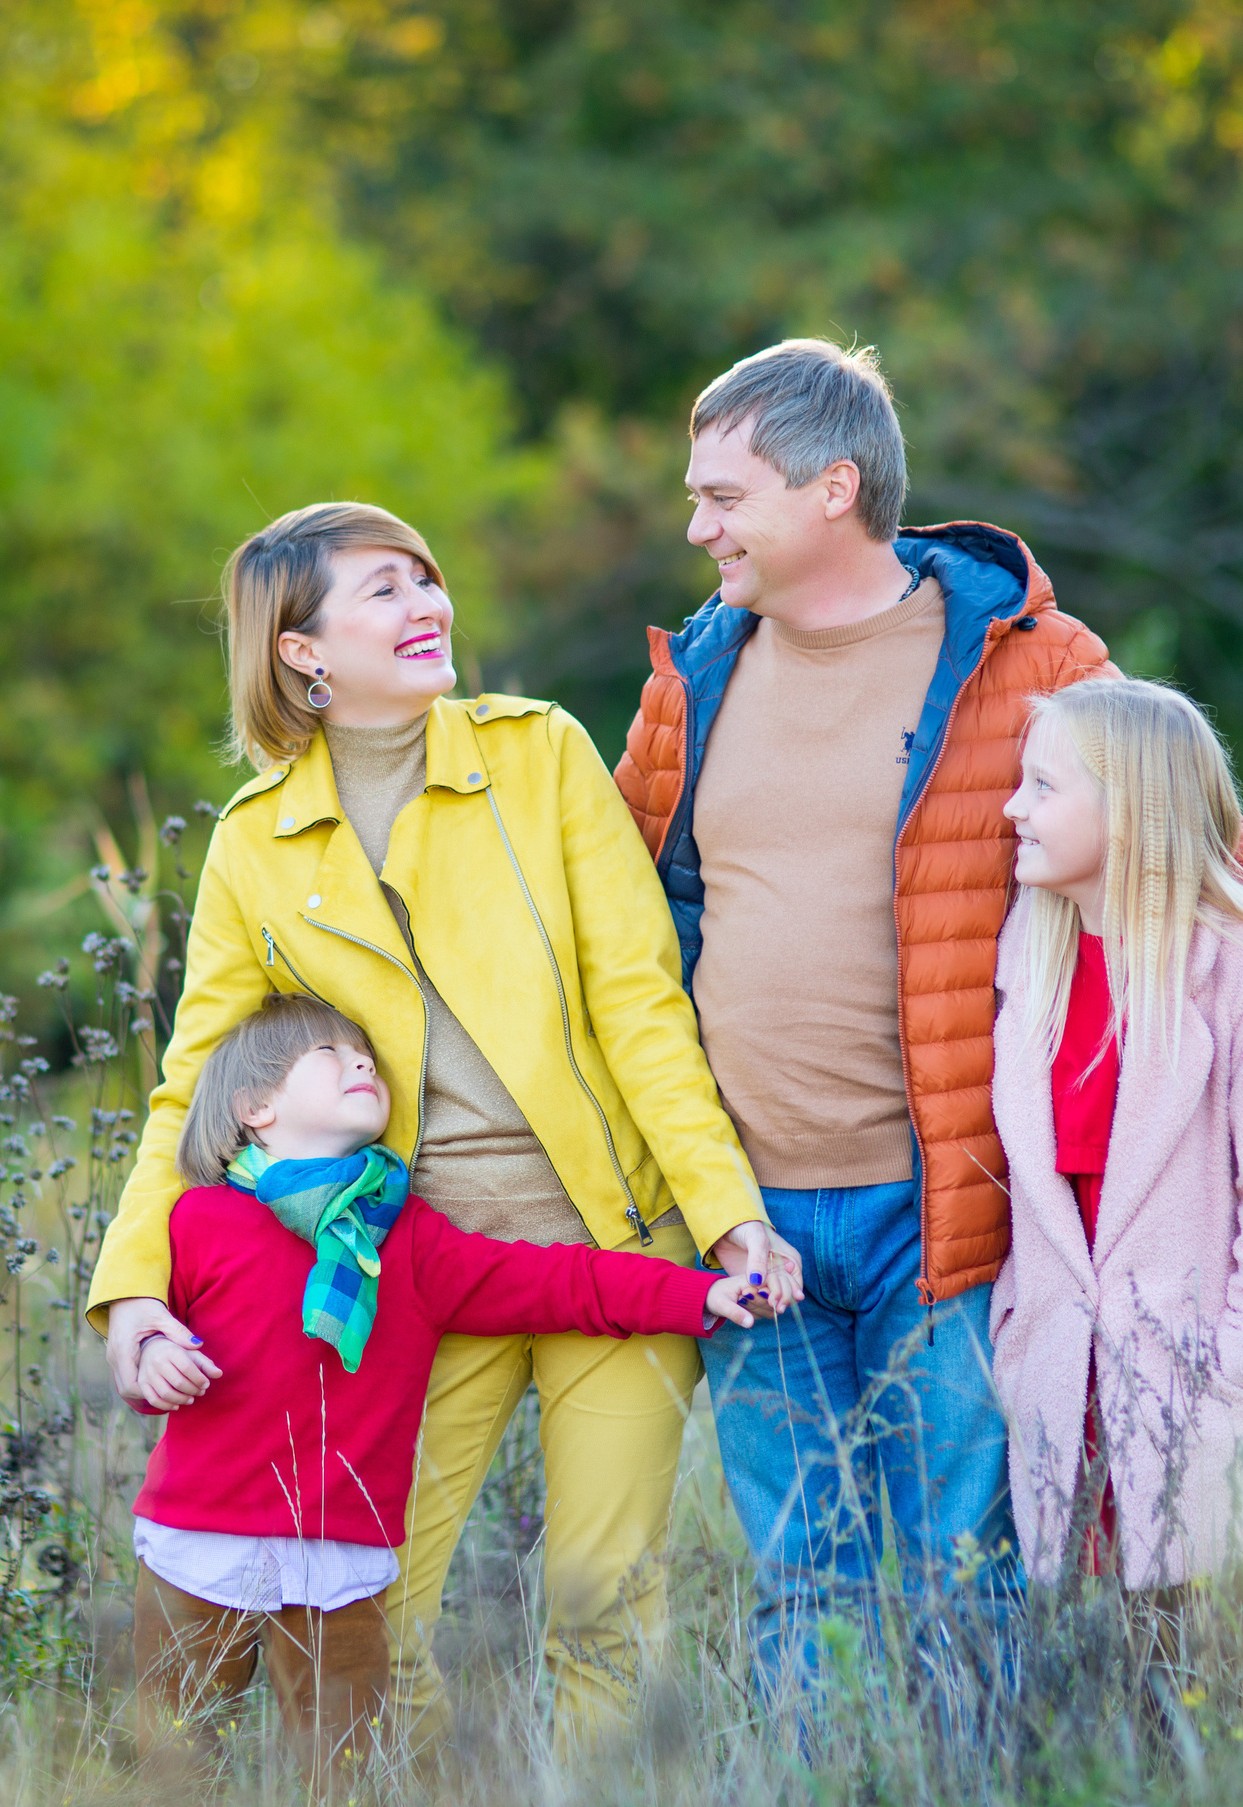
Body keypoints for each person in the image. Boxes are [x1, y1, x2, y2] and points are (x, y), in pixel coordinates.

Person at [610, 340, 1243, 1687]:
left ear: (833, 486)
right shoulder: (697, 675)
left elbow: (1180, 815)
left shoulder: (1023, 655)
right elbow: (610, 900)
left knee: (965, 1579)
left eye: (725, 497)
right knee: (801, 1577)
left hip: (948, 1205)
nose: (697, 527)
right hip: (743, 1211)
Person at [90, 500, 802, 1752]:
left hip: (615, 1243)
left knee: (605, 1615)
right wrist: (135, 1291)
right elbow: (189, 1088)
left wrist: (726, 1213)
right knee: (378, 1622)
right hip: (400, 1276)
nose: (430, 604)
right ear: (300, 650)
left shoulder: (540, 755)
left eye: (427, 577)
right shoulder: (253, 844)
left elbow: (639, 1005)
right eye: (383, 590)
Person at [125, 992, 761, 1778]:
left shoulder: (411, 1239)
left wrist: (691, 1294)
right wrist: (154, 1354)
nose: (362, 1060)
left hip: (336, 1562)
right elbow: (150, 1334)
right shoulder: (199, 1220)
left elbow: (556, 1279)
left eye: (366, 1052)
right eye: (328, 1053)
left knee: (347, 1770)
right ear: (254, 1105)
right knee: (166, 1756)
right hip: (198, 1543)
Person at [988, 678, 1243, 1596]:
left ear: (1129, 805)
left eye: (1041, 787)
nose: (1011, 807)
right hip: (1073, 1399)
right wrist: (1019, 1331)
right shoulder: (1031, 948)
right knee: (1104, 1698)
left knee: (1218, 1692)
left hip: (1211, 1408)